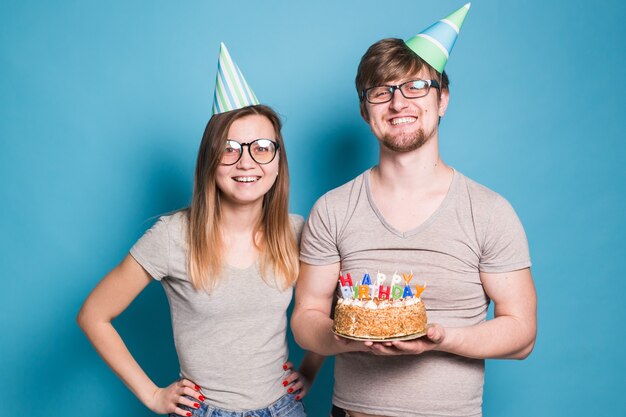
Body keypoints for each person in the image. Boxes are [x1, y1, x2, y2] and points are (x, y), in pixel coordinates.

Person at [291, 4, 537, 417]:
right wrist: (347, 337)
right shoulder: (332, 209)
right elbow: (305, 319)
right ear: (365, 111)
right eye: (382, 91)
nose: (398, 102)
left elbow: (523, 335)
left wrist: (442, 338)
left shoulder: (489, 212)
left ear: (442, 99)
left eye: (416, 87)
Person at [78, 43, 323, 417]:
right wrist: (152, 395)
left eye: (261, 147)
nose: (246, 162)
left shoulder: (297, 232)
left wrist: (309, 370)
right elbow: (94, 314)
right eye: (230, 148)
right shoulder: (173, 236)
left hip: (284, 408)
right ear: (211, 159)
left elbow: (331, 307)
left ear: (277, 161)